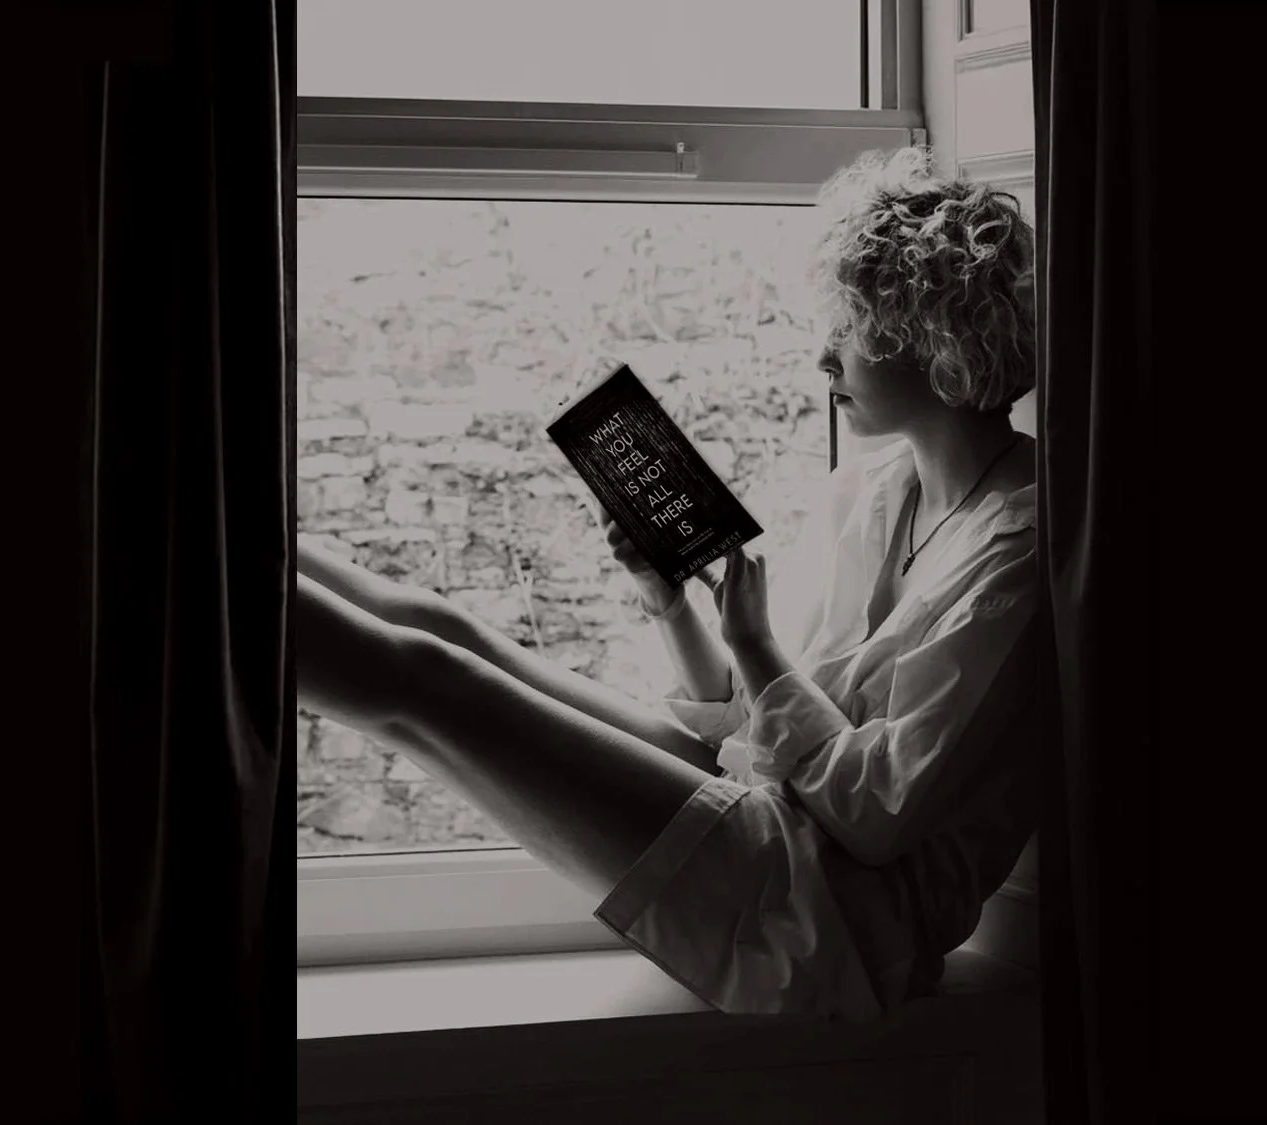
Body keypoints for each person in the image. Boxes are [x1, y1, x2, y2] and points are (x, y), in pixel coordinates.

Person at [295, 145, 1042, 1018]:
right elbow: (755, 727)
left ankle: (166, 571)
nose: (823, 358)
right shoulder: (876, 493)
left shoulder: (1021, 550)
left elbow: (872, 812)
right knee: (446, 632)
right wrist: (672, 604)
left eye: (850, 330)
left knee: (427, 682)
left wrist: (756, 644)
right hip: (771, 815)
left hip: (830, 916)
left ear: (933, 341)